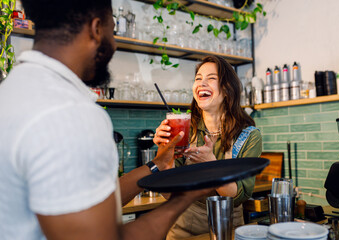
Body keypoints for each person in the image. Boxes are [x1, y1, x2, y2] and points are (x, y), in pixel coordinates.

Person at [0, 1, 215, 239]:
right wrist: (184, 197)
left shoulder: (13, 89)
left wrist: (157, 165)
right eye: (112, 31)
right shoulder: (70, 113)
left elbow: (91, 198)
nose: (113, 43)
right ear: (96, 29)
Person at [154, 55, 263, 239]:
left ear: (228, 89)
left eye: (211, 78)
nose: (201, 83)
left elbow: (240, 196)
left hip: (228, 231)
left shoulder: (249, 136)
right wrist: (164, 153)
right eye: (198, 79)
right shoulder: (184, 130)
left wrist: (211, 166)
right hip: (183, 232)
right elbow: (168, 194)